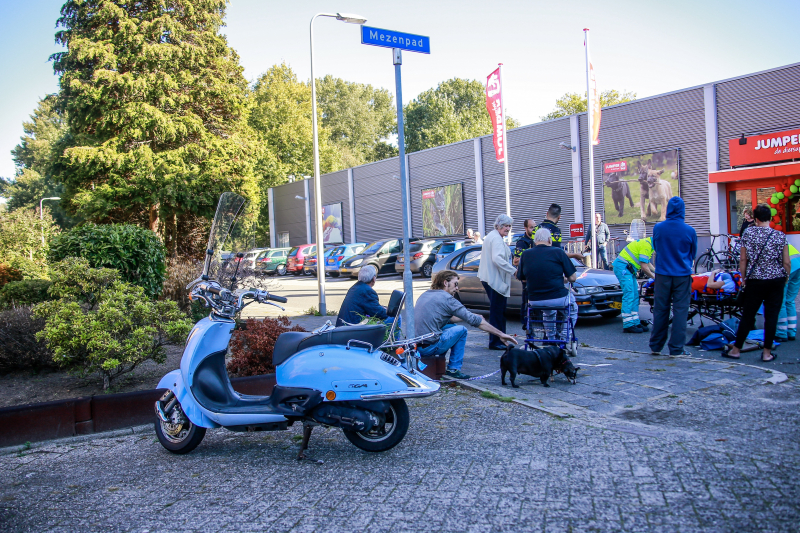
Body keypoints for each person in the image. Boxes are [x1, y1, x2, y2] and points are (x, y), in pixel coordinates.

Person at [416, 270, 518, 379]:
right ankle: (453, 369)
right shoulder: (447, 299)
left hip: (416, 346)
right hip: (428, 347)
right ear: (445, 283)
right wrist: (500, 334)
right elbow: (476, 322)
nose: (457, 288)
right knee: (462, 331)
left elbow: (449, 318)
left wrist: (471, 316)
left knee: (452, 328)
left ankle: (439, 363)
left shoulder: (427, 294)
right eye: (455, 284)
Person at [724, 204, 790, 362]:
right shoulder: (780, 236)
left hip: (755, 281)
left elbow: (743, 259)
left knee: (748, 315)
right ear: (770, 218)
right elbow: (786, 262)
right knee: (771, 316)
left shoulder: (748, 233)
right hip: (776, 281)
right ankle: (767, 353)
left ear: (756, 218)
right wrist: (785, 277)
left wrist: (744, 277)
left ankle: (736, 350)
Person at [649, 197, 698, 356]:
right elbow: (693, 253)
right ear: (682, 210)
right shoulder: (689, 230)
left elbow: (656, 247)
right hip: (682, 275)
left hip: (663, 274)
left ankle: (656, 346)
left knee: (660, 310)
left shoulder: (658, 228)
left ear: (668, 209)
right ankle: (676, 349)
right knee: (680, 312)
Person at [518, 228, 579, 339]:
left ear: (535, 241)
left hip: (534, 300)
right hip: (558, 297)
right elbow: (573, 278)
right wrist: (563, 279)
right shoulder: (558, 252)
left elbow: (523, 279)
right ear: (549, 240)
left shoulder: (525, 254)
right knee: (573, 308)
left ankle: (551, 338)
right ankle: (564, 337)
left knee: (548, 312)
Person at [478, 214, 517, 350]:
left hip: (492, 279)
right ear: (499, 226)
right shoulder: (496, 239)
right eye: (505, 226)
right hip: (494, 281)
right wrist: (513, 270)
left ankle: (500, 340)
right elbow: (497, 258)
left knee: (498, 312)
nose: (508, 229)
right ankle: (496, 341)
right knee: (498, 312)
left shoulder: (494, 236)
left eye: (509, 226)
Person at [612, 236, 655, 333]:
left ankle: (635, 321)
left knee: (635, 295)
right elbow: (644, 267)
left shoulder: (648, 244)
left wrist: (656, 272)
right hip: (623, 268)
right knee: (629, 294)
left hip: (627, 269)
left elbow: (647, 263)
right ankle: (628, 325)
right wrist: (654, 277)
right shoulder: (646, 246)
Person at [513, 219, 536, 328]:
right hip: (526, 276)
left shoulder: (537, 240)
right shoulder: (523, 242)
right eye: (531, 227)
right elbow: (516, 261)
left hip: (535, 275)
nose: (533, 229)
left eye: (534, 227)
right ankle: (525, 322)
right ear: (526, 228)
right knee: (526, 300)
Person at [776, 244, 800, 341]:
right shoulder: (781, 240)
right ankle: (791, 331)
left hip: (788, 268)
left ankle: (781, 333)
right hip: (798, 266)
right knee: (790, 300)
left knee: (781, 301)